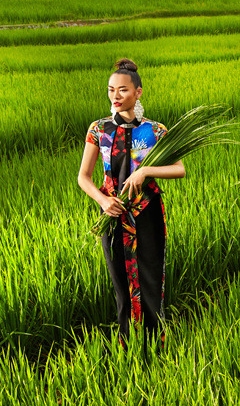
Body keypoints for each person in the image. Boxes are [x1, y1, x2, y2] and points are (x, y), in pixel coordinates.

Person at [77, 58, 185, 348]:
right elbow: (83, 177)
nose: (115, 96)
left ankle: (155, 342)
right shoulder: (99, 129)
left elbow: (179, 168)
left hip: (146, 212)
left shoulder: (155, 130)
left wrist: (146, 170)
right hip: (113, 215)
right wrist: (102, 200)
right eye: (111, 90)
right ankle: (128, 342)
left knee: (150, 276)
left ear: (138, 92)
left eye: (122, 90)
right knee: (121, 283)